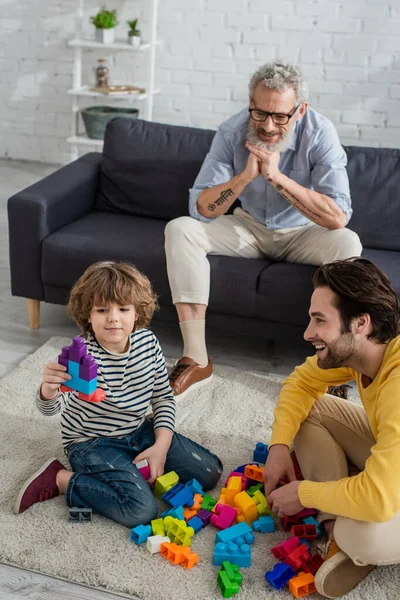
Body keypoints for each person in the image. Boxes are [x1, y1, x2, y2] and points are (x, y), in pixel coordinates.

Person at [165, 60, 362, 400]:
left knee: (348, 242)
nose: (268, 126)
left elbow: (337, 216)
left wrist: (276, 177)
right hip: (248, 227)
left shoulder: (320, 133)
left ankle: (332, 369)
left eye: (280, 116)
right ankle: (196, 358)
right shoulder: (231, 131)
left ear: (299, 110)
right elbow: (201, 209)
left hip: (304, 233)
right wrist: (245, 177)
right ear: (250, 104)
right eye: (259, 113)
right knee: (181, 230)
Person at [14, 261, 223, 527]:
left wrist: (160, 446)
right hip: (91, 442)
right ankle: (62, 479)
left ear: (137, 313)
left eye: (123, 309)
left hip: (138, 430)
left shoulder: (148, 343)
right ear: (88, 315)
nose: (113, 317)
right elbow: (53, 409)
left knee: (210, 473)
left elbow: (162, 397)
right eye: (102, 310)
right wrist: (48, 390)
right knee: (141, 511)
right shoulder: (81, 358)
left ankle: (134, 465)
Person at [263, 257, 400, 598]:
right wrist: (279, 445)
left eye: (319, 321)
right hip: (391, 454)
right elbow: (299, 383)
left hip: (387, 486)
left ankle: (353, 539)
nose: (308, 333)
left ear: (360, 323)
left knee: (360, 536)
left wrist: (303, 493)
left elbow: (377, 498)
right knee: (308, 410)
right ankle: (334, 519)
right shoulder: (365, 352)